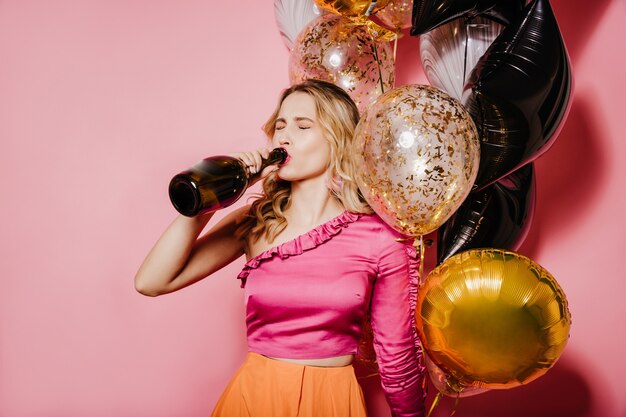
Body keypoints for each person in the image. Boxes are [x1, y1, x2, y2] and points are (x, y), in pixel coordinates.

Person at [134, 79, 426, 417]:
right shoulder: (257, 220)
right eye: (280, 126)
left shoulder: (380, 236)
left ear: (339, 140)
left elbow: (397, 356)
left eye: (303, 126)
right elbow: (151, 282)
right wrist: (214, 196)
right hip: (254, 400)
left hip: (331, 403)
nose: (284, 137)